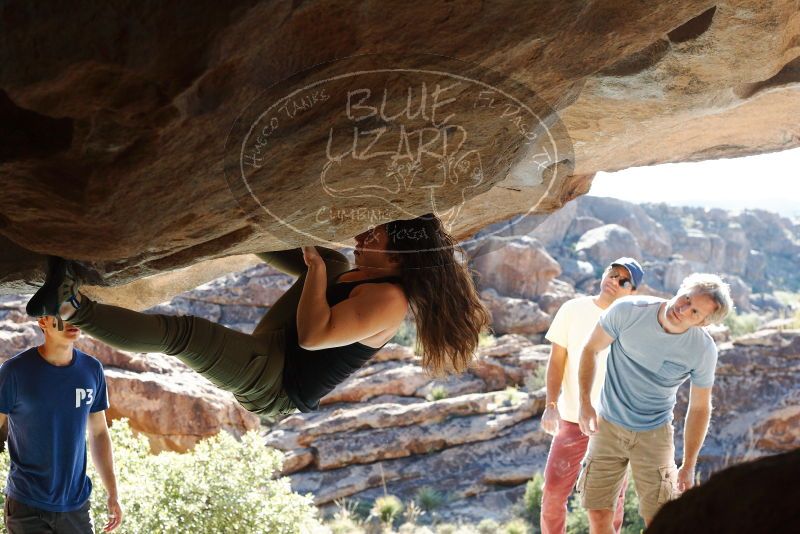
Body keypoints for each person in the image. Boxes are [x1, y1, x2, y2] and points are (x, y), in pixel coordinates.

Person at [26, 214, 491, 415]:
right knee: (333, 263)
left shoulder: (390, 300)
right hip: (280, 346)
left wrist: (310, 268)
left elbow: (312, 336)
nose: (368, 233)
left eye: (381, 234)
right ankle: (239, 224)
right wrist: (309, 259)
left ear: (401, 256)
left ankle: (67, 305)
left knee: (183, 334)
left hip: (276, 385)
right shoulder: (369, 275)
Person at [577, 273, 733, 532]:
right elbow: (591, 349)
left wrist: (689, 465)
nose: (681, 309)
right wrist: (585, 403)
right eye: (685, 298)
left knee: (661, 519)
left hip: (655, 433)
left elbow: (699, 408)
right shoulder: (628, 311)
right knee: (598, 514)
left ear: (703, 323)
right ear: (681, 287)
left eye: (694, 311)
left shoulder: (702, 350)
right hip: (608, 425)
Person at [540, 258, 644, 534]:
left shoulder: (634, 324)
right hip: (572, 420)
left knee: (612, 501)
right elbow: (556, 361)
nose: (615, 281)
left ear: (633, 292)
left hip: (614, 428)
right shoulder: (572, 309)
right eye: (613, 274)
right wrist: (551, 405)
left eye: (625, 281)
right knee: (552, 493)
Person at [0, 315, 123, 533]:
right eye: (62, 315)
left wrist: (113, 491)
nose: (72, 321)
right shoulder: (14, 372)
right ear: (43, 322)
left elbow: (99, 434)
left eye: (76, 314)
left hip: (76, 506)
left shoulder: (91, 370)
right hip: (27, 506)